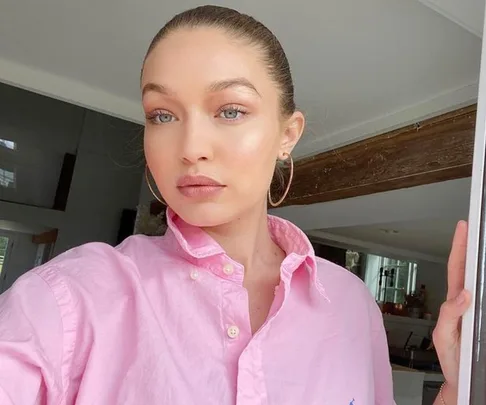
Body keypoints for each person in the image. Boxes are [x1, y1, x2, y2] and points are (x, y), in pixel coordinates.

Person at [0, 5, 471, 405]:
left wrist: (459, 384)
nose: (191, 146)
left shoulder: (352, 304)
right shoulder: (65, 301)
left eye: (229, 110)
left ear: (288, 135)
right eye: (162, 115)